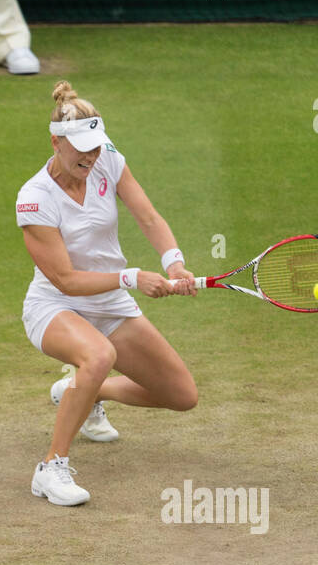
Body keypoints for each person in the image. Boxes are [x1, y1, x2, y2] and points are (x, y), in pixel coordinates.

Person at [16, 81, 199, 506]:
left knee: (182, 396)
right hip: (55, 307)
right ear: (55, 142)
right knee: (98, 355)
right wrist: (132, 277)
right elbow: (65, 280)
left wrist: (173, 261)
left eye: (95, 146)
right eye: (81, 148)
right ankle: (51, 469)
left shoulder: (108, 160)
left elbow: (148, 216)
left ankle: (89, 390)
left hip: (110, 304)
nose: (91, 156)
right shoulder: (34, 199)